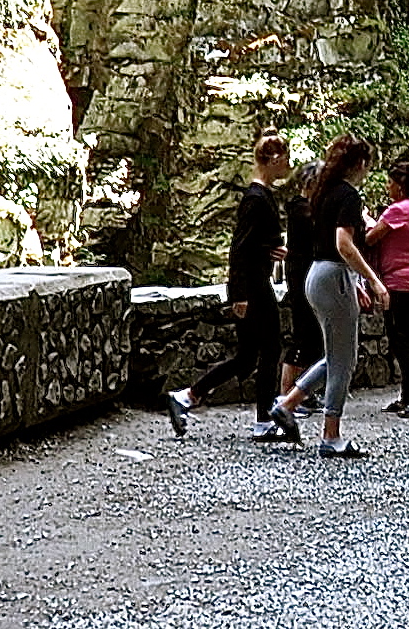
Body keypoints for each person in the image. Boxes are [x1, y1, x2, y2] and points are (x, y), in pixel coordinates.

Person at [268, 135, 390, 457]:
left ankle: (288, 403)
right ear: (360, 163)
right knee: (343, 361)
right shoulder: (348, 195)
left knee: (337, 355)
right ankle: (330, 436)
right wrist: (373, 281)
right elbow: (344, 245)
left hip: (315, 275)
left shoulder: (323, 193)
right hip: (333, 276)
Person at [165, 132, 291, 439]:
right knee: (270, 349)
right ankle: (263, 420)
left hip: (256, 283)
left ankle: (187, 397)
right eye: (285, 159)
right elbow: (239, 249)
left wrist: (272, 251)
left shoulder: (263, 196)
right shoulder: (255, 199)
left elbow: (257, 245)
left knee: (248, 357)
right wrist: (239, 294)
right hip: (253, 287)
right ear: (273, 160)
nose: (288, 165)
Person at [366, 162, 409, 419]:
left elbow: (370, 238)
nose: (387, 187)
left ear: (399, 186)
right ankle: (408, 395)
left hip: (400, 283)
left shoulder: (397, 211)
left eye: (390, 183)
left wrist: (364, 221)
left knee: (400, 341)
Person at [277, 158, 325, 407]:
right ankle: (286, 393)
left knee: (314, 337)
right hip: (301, 277)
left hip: (308, 275)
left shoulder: (308, 208)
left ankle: (303, 392)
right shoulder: (300, 208)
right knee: (302, 336)